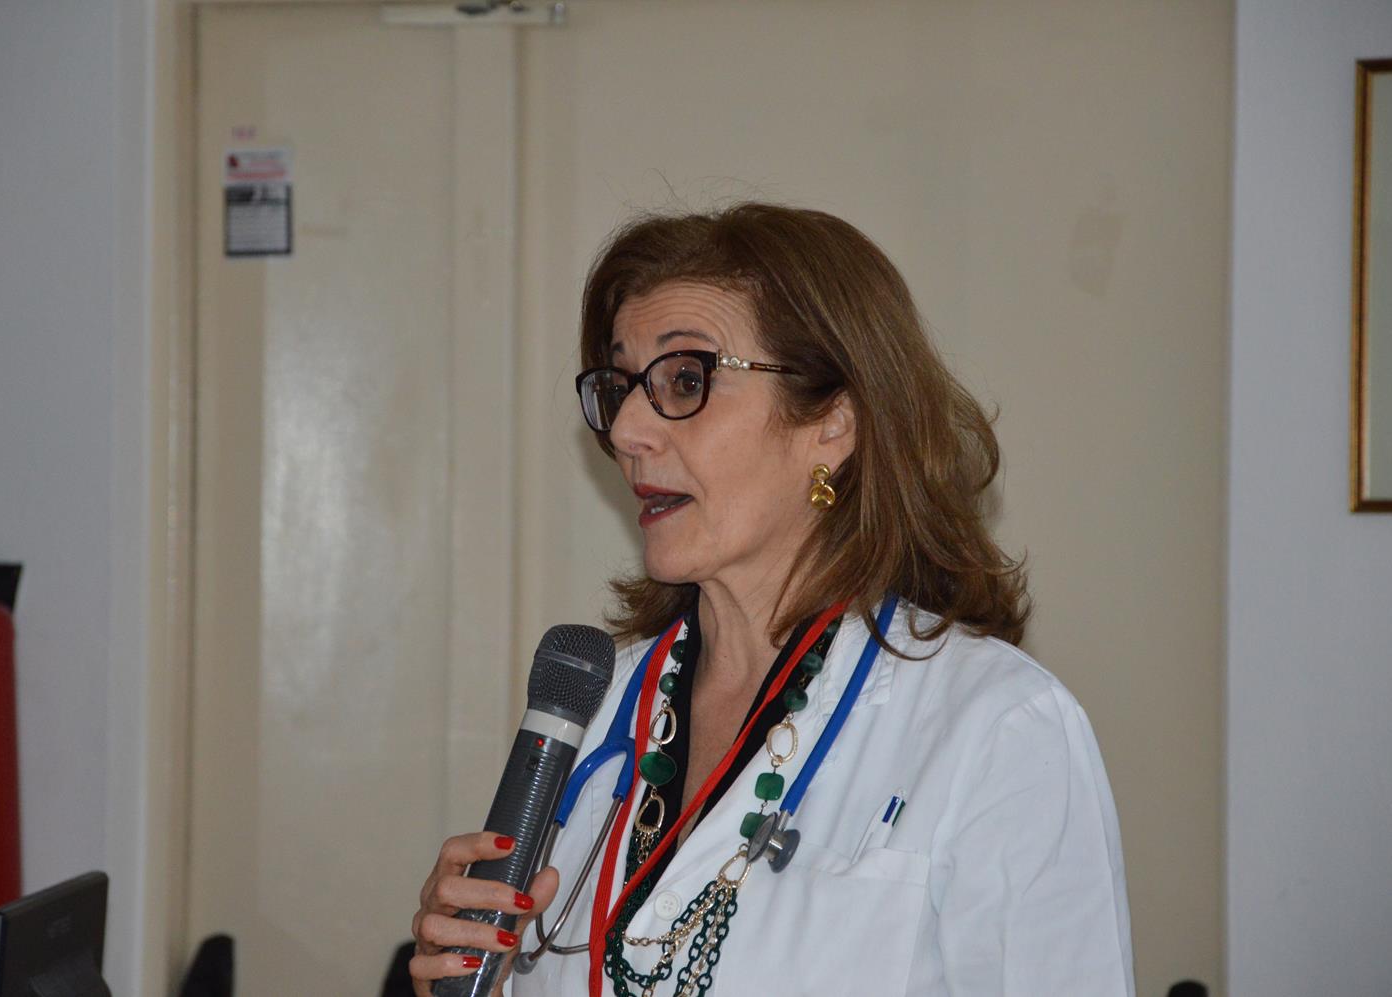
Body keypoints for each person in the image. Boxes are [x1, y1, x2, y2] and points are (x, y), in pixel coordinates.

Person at [410, 203, 1134, 996]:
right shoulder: (595, 706)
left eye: (686, 379)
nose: (626, 431)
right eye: (620, 386)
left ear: (833, 423)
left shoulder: (999, 728)